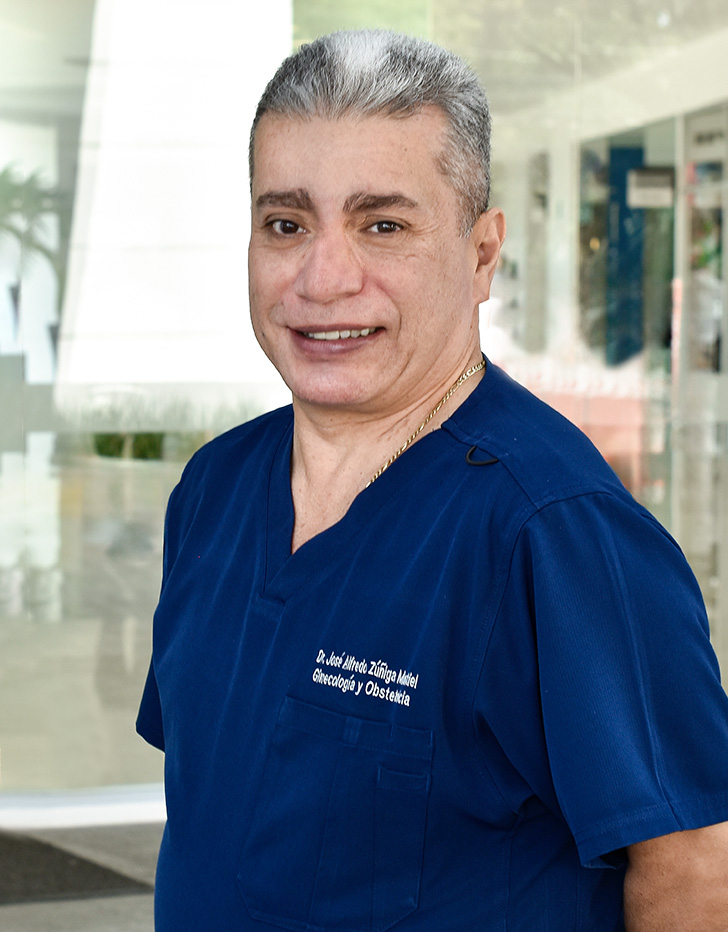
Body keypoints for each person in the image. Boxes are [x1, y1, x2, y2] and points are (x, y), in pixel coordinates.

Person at [137, 29, 728, 931]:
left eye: (384, 224)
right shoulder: (215, 490)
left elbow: (697, 865)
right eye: (286, 224)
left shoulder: (555, 531)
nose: (324, 278)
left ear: (482, 254)